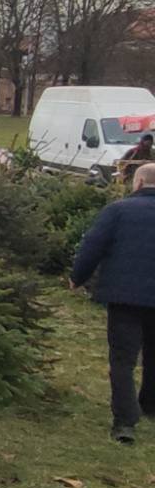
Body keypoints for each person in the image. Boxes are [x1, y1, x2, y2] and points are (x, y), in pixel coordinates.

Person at [70, 161, 155, 443]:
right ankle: (150, 406)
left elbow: (93, 246)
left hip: (125, 297)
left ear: (139, 183)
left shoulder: (118, 211)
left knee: (122, 359)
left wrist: (77, 277)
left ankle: (125, 423)